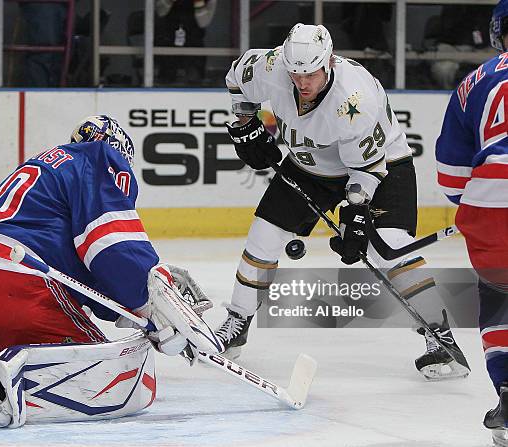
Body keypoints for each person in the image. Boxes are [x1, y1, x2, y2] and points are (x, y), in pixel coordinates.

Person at [216, 23, 470, 381]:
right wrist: (245, 123)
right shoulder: (271, 67)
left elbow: (366, 170)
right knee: (264, 234)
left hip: (382, 164)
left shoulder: (355, 100)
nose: (302, 83)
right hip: (310, 163)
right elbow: (236, 79)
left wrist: (357, 215)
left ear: (330, 62)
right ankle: (237, 320)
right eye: (296, 73)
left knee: (389, 248)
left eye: (311, 74)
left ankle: (438, 334)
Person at [0, 115, 220, 428]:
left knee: (68, 339)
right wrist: (151, 297)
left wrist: (144, 316)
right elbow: (112, 246)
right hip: (17, 282)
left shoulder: (49, 166)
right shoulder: (98, 159)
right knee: (116, 378)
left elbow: (85, 275)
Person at [436, 1, 508, 442]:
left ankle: (507, 388)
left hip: (488, 200)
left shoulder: (472, 82)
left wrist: (478, 206)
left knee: (500, 296)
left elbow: (452, 176)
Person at [154, 0, 217, 86]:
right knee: (166, 79)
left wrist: (198, 3)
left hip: (194, 43)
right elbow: (160, 13)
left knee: (194, 80)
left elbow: (203, 23)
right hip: (168, 41)